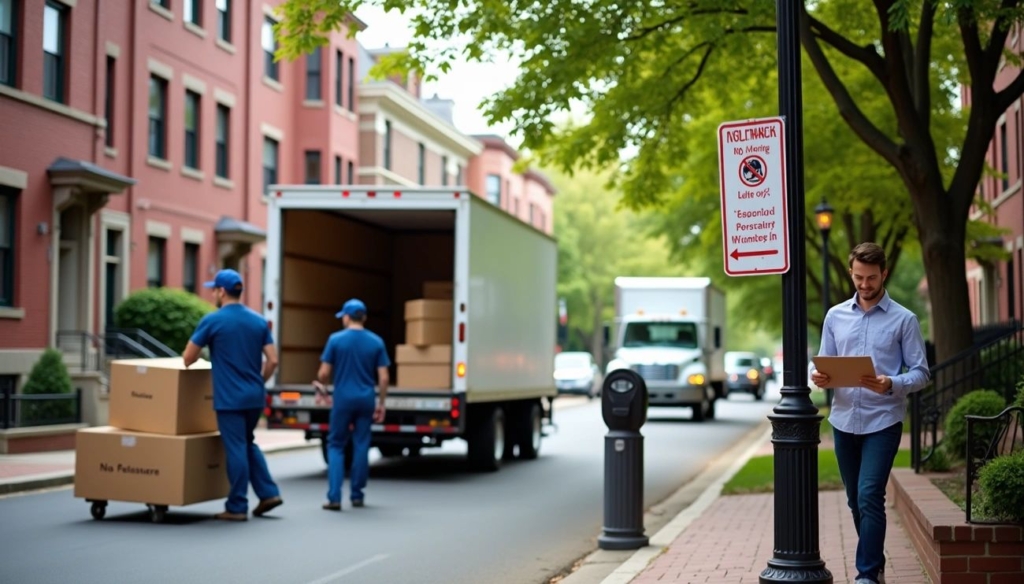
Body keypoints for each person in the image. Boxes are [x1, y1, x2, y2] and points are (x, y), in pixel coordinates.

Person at [810, 242, 930, 584]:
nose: (865, 285)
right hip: (844, 420)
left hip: (883, 420)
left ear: (884, 274)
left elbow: (922, 373)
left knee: (868, 494)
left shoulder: (904, 320)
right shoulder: (835, 316)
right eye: (859, 278)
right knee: (854, 500)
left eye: (872, 278)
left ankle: (867, 574)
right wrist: (817, 376)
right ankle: (874, 562)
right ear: (851, 273)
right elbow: (822, 361)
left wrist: (890, 382)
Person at [183, 269, 283, 521]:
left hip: (230, 398)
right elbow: (273, 360)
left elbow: (187, 358)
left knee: (236, 447)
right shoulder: (259, 321)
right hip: (254, 396)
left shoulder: (212, 321)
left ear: (221, 291)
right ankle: (268, 493)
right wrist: (259, 381)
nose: (213, 294)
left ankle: (237, 506)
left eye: (214, 290)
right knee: (248, 442)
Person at [315, 298, 390, 511]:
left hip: (343, 400)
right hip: (366, 400)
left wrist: (324, 386)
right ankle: (357, 495)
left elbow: (324, 373)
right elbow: (383, 378)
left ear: (347, 317)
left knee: (336, 445)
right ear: (364, 317)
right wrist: (381, 402)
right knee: (361, 445)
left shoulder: (335, 340)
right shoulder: (376, 342)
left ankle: (334, 497)